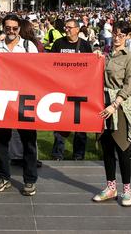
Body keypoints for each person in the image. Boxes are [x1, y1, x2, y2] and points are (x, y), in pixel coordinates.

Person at [0, 14, 39, 196]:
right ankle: (3, 177)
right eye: (8, 28)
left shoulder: (28, 46)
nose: (11, 31)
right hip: (2, 98)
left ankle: (30, 180)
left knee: (28, 141)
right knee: (1, 141)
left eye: (14, 28)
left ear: (19, 29)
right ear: (3, 27)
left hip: (24, 98)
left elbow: (38, 70)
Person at [92, 22, 131, 207]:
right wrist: (95, 56)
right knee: (107, 147)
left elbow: (129, 84)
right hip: (102, 102)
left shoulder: (130, 58)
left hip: (120, 105)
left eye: (121, 34)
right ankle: (111, 187)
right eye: (115, 33)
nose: (117, 37)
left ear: (127, 36)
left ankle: (127, 189)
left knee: (122, 147)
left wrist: (115, 104)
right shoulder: (106, 54)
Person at [50, 18, 92, 160]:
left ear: (77, 29)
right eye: (66, 27)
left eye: (69, 27)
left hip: (80, 91)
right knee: (61, 125)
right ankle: (57, 154)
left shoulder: (85, 45)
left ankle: (78, 155)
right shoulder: (58, 43)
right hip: (61, 90)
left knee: (80, 126)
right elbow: (49, 64)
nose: (66, 29)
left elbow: (92, 66)